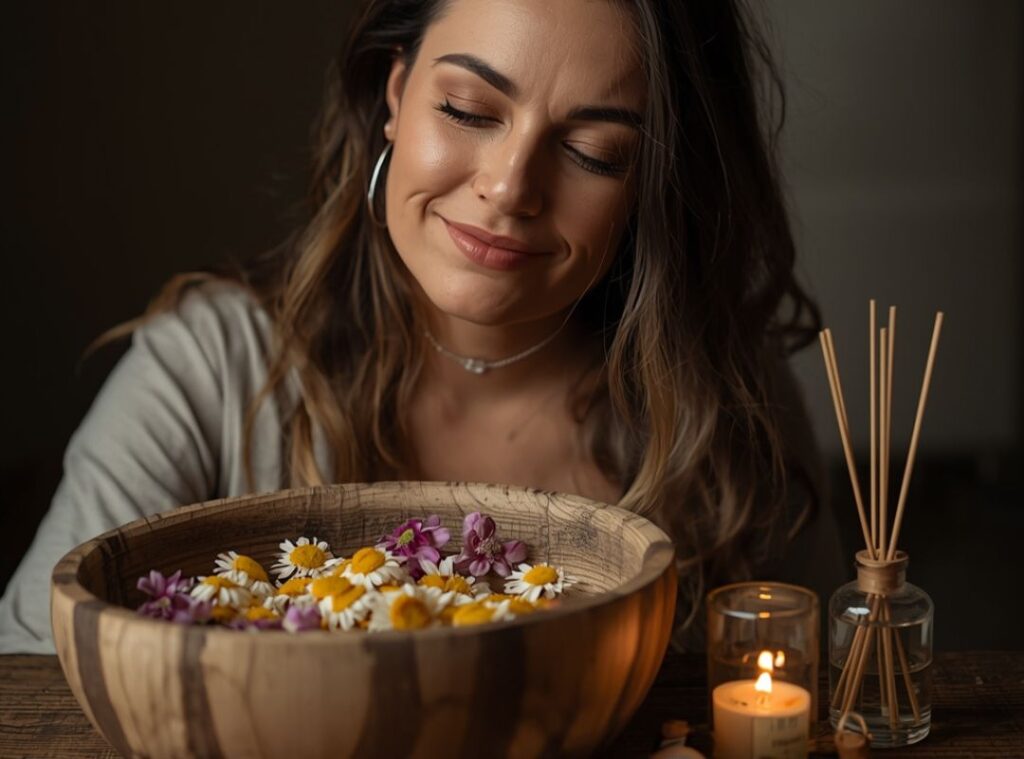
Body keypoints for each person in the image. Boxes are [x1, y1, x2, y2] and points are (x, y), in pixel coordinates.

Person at [0, 0, 844, 654]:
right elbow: (29, 677)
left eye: (592, 152)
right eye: (470, 109)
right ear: (396, 96)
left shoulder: (722, 404)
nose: (511, 186)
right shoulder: (205, 372)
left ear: (653, 186)